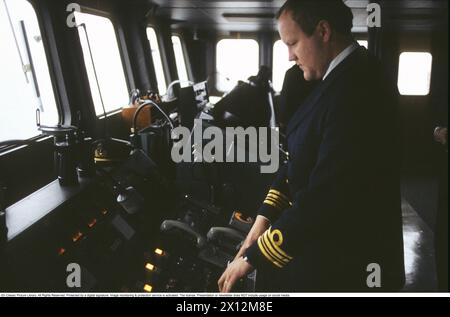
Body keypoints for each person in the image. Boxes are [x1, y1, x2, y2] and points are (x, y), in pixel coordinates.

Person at [218, 0, 405, 292]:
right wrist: (262, 221)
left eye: (292, 43)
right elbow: (300, 159)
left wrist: (254, 256)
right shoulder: (339, 77)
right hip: (335, 252)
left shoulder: (358, 86)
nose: (290, 56)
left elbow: (326, 195)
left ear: (323, 31)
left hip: (351, 266)